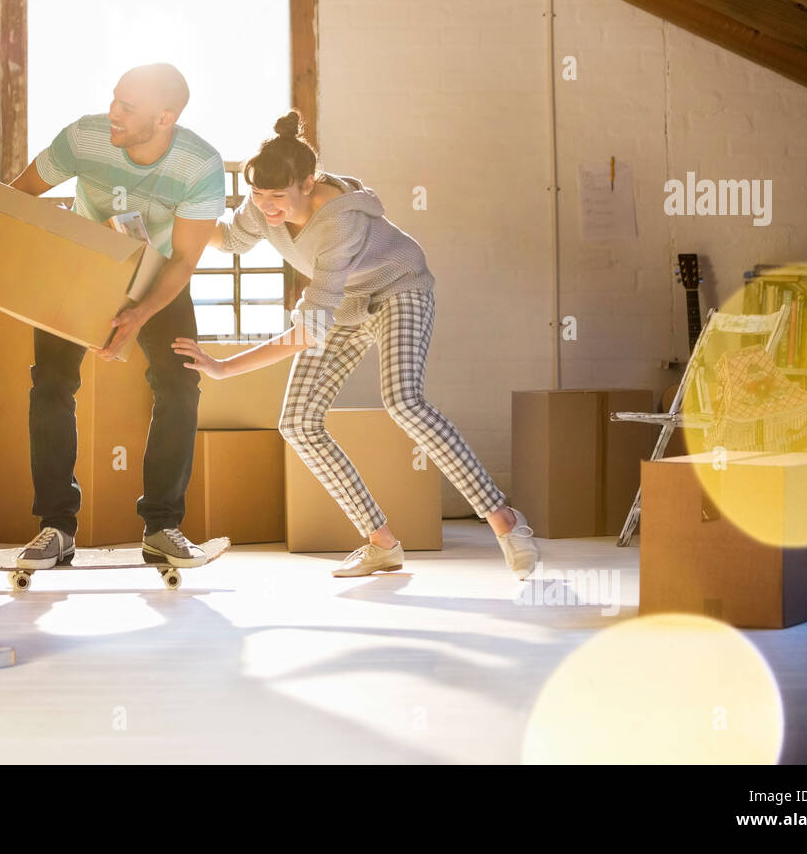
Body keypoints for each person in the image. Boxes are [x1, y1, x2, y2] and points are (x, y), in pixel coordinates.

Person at [172, 111, 539, 578]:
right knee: (299, 422)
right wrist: (174, 216)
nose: (266, 208)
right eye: (258, 196)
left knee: (403, 401)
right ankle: (381, 543)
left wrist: (225, 368)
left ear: (308, 183)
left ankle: (505, 522)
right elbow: (229, 240)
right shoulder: (264, 203)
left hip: (398, 290)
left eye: (277, 198)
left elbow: (308, 330)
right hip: (345, 307)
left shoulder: (338, 224)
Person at [0, 64, 224, 570]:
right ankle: (56, 528)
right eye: (114, 99)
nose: (114, 111)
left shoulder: (200, 166)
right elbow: (15, 199)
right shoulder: (85, 138)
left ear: (165, 117)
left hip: (160, 278)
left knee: (179, 385)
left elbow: (184, 261)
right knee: (51, 385)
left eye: (128, 107)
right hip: (84, 267)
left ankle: (162, 527)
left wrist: (139, 312)